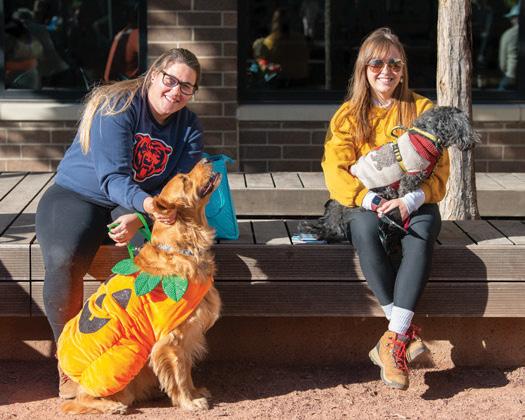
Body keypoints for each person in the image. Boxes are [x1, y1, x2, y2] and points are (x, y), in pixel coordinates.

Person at [35, 48, 203, 399]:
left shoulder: (188, 126)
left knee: (158, 263)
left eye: (186, 87)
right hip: (78, 194)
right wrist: (146, 207)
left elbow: (181, 185)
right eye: (170, 80)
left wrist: (141, 217)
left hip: (139, 206)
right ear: (153, 75)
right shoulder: (117, 106)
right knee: (64, 258)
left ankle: (149, 360)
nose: (175, 91)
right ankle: (71, 364)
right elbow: (113, 178)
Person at [321, 27, 449, 390]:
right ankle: (403, 334)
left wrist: (409, 200)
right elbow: (335, 168)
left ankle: (391, 340)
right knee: (363, 228)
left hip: (411, 198)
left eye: (395, 63)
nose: (386, 71)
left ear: (403, 69)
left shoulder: (423, 110)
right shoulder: (348, 115)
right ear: (364, 68)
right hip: (363, 201)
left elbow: (440, 172)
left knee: (424, 226)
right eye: (376, 63)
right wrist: (370, 199)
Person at [498, 3, 519, 90]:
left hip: (512, 75)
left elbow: (503, 64)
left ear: (516, 18)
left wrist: (507, 72)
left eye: (512, 18)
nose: (511, 20)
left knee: (499, 96)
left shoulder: (508, 34)